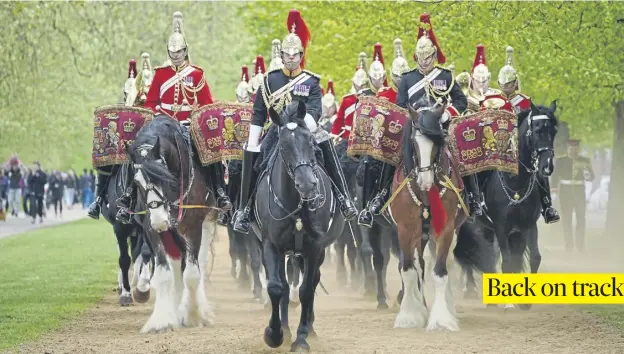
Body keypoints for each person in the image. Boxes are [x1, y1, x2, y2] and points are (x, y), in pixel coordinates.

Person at [231, 9, 358, 234]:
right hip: (276, 130)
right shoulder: (269, 80)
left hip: (305, 128)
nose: (291, 59)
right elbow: (259, 113)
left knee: (326, 148)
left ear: (301, 55)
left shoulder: (310, 81)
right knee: (253, 159)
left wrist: (299, 127)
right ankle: (245, 209)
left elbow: (316, 110)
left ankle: (343, 199)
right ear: (281, 55)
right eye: (287, 55)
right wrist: (253, 142)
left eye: (295, 55)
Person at [142, 11, 232, 213]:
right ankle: (131, 195)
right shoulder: (160, 74)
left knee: (210, 148)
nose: (176, 56)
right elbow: (150, 103)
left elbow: (206, 103)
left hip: (187, 124)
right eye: (172, 53)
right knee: (144, 152)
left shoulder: (196, 74)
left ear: (185, 51)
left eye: (179, 52)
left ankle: (219, 191)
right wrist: (156, 118)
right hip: (163, 125)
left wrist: (196, 119)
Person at [396, 13, 480, 218]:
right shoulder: (408, 79)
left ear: (434, 55)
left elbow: (460, 101)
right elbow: (399, 105)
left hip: (440, 127)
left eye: (428, 58)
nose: (424, 62)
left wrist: (448, 114)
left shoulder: (445, 76)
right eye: (420, 58)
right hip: (415, 127)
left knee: (463, 154)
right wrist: (409, 117)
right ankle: (380, 196)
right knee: (391, 155)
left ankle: (475, 199)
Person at [496, 45, 560, 224]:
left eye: (509, 84)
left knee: (538, 172)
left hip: (522, 148)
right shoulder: (491, 100)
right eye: (503, 84)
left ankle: (547, 207)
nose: (506, 88)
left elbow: (534, 126)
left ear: (515, 83)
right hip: (497, 147)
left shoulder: (525, 102)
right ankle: (477, 201)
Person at [88, 59, 138, 220]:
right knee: (105, 166)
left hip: (141, 152)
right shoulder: (120, 111)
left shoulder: (146, 111)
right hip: (121, 151)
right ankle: (98, 200)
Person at [551, 139, 593, 251]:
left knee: (581, 219)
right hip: (565, 192)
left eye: (575, 148)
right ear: (567, 148)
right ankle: (568, 245)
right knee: (567, 219)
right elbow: (555, 176)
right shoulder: (561, 161)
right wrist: (554, 192)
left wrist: (587, 174)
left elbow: (591, 177)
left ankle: (580, 245)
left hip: (580, 192)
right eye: (571, 148)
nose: (573, 150)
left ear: (578, 148)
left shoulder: (585, 160)